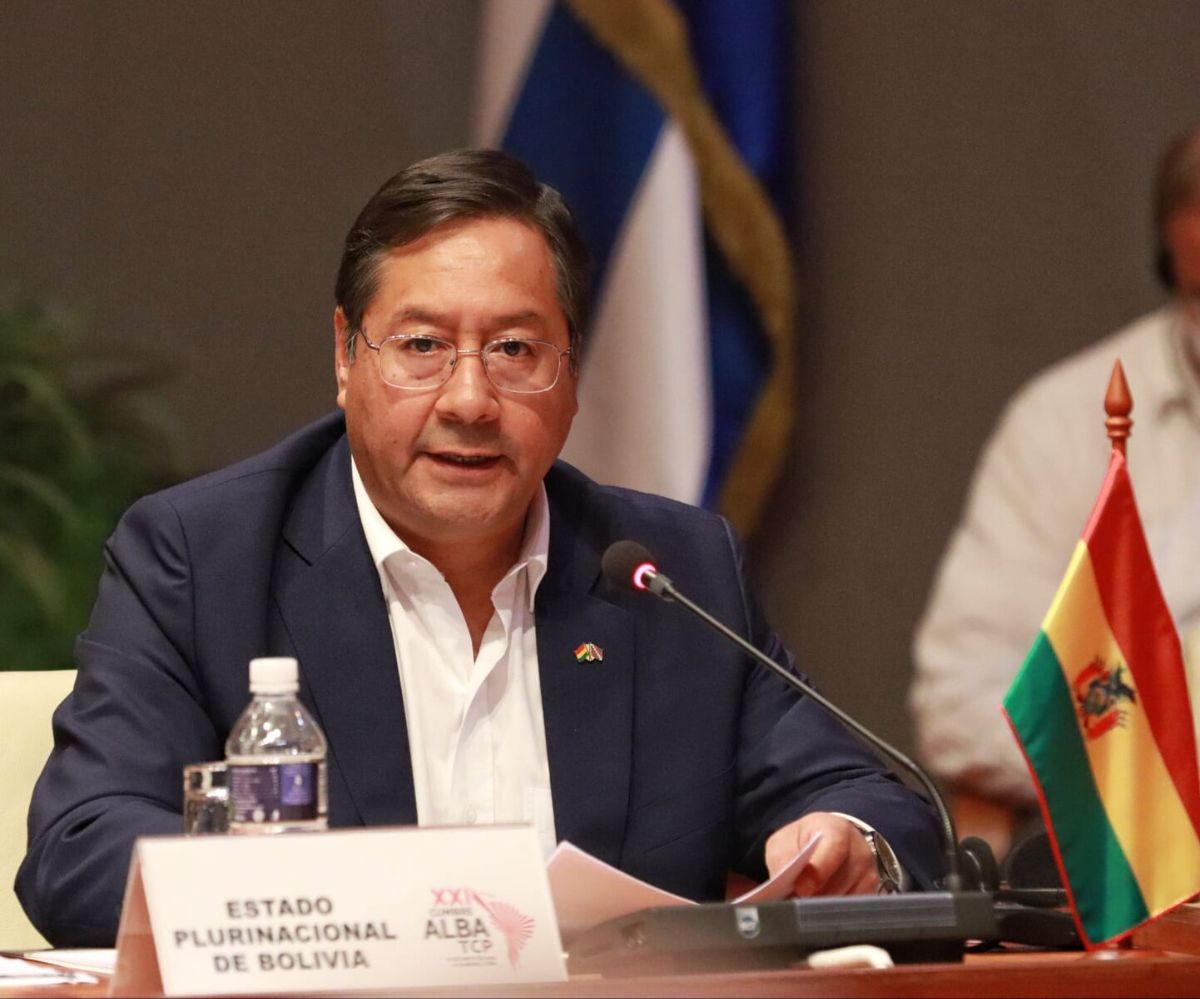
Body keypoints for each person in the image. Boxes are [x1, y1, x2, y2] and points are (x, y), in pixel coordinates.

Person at [19, 149, 941, 946]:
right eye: (422, 344)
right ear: (347, 357)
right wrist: (346, 912)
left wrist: (842, 837)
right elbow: (81, 849)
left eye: (513, 349)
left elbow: (876, 803)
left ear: (571, 371)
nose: (469, 398)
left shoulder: (668, 570)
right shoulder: (202, 560)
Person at [910, 129, 1200, 846]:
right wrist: (1156, 751)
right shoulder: (1066, 423)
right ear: (1176, 249)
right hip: (1152, 853)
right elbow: (963, 701)